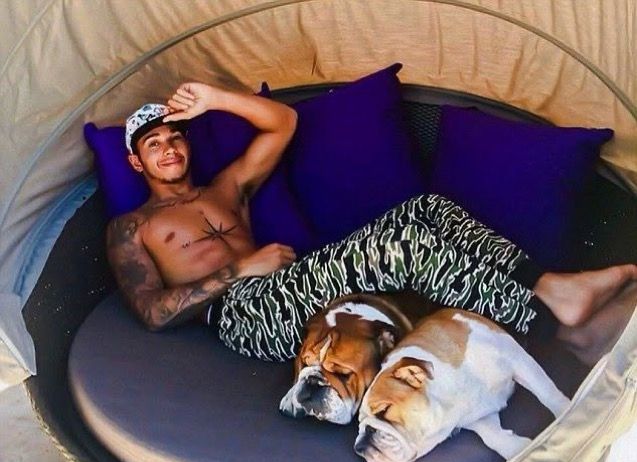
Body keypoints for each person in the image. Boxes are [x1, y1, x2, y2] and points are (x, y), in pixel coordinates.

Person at [106, 82, 637, 362]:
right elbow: (153, 312)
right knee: (401, 247)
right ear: (136, 162)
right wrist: (241, 269)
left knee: (426, 210)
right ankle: (553, 327)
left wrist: (215, 99)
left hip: (293, 283)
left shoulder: (225, 187)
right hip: (244, 317)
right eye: (153, 144)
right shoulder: (132, 227)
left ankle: (549, 285)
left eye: (174, 136)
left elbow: (284, 122)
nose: (168, 147)